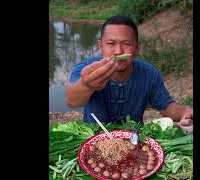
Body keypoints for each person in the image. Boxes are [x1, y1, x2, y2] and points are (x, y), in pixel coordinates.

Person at [65, 16, 193, 133]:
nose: (118, 51)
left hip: (136, 140)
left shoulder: (149, 73)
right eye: (111, 43)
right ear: (100, 45)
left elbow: (166, 106)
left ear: (137, 48)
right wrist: (86, 85)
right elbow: (72, 101)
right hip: (94, 139)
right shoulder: (87, 69)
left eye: (126, 44)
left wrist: (186, 112)